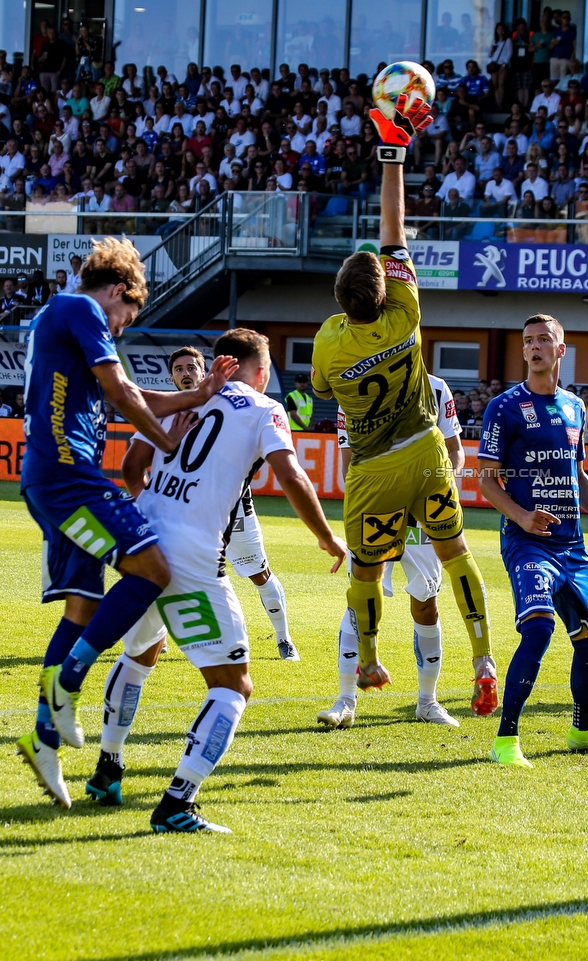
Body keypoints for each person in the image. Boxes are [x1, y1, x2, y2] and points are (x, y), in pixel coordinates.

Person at [83, 329, 345, 830]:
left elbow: (133, 466)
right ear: (261, 371)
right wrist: (327, 537)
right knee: (233, 685)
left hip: (143, 547)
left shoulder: (181, 401)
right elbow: (291, 476)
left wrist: (157, 509)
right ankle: (178, 803)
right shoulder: (264, 408)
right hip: (193, 561)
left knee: (139, 656)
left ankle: (107, 769)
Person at [15, 238, 238, 809]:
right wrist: (166, 440)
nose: (119, 328)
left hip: (53, 478)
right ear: (117, 292)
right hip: (71, 477)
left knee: (82, 607)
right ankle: (66, 683)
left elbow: (129, 392)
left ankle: (43, 739)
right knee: (153, 569)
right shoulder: (80, 308)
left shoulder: (60, 320)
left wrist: (203, 391)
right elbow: (119, 387)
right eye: (126, 316)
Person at [310, 93, 498, 715]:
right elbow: (393, 231)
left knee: (366, 573)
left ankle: (366, 660)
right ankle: (483, 659)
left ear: (343, 302)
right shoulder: (408, 316)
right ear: (388, 290)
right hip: (425, 455)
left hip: (372, 469)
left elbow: (317, 390)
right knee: (457, 557)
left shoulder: (330, 340)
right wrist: (395, 153)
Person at [478, 314, 588, 768]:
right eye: (528, 341)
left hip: (572, 546)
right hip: (527, 541)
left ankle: (583, 730)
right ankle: (506, 739)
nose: (534, 347)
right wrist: (523, 516)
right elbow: (486, 481)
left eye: (543, 340)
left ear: (560, 350)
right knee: (539, 628)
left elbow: (579, 474)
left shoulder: (573, 406)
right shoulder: (505, 407)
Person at [117, 346, 301, 663]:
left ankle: (284, 639)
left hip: (234, 515)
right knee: (165, 573)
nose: (186, 373)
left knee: (259, 574)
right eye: (179, 369)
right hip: (181, 514)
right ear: (171, 376)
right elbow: (135, 468)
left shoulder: (234, 408)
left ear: (205, 373)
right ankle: (155, 639)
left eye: (192, 367)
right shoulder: (162, 410)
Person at [320, 373, 465, 729]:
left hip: (425, 520)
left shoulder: (435, 387)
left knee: (426, 604)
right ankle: (345, 701)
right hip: (377, 516)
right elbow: (348, 461)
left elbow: (455, 451)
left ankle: (427, 703)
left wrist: (438, 494)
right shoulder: (353, 392)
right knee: (360, 603)